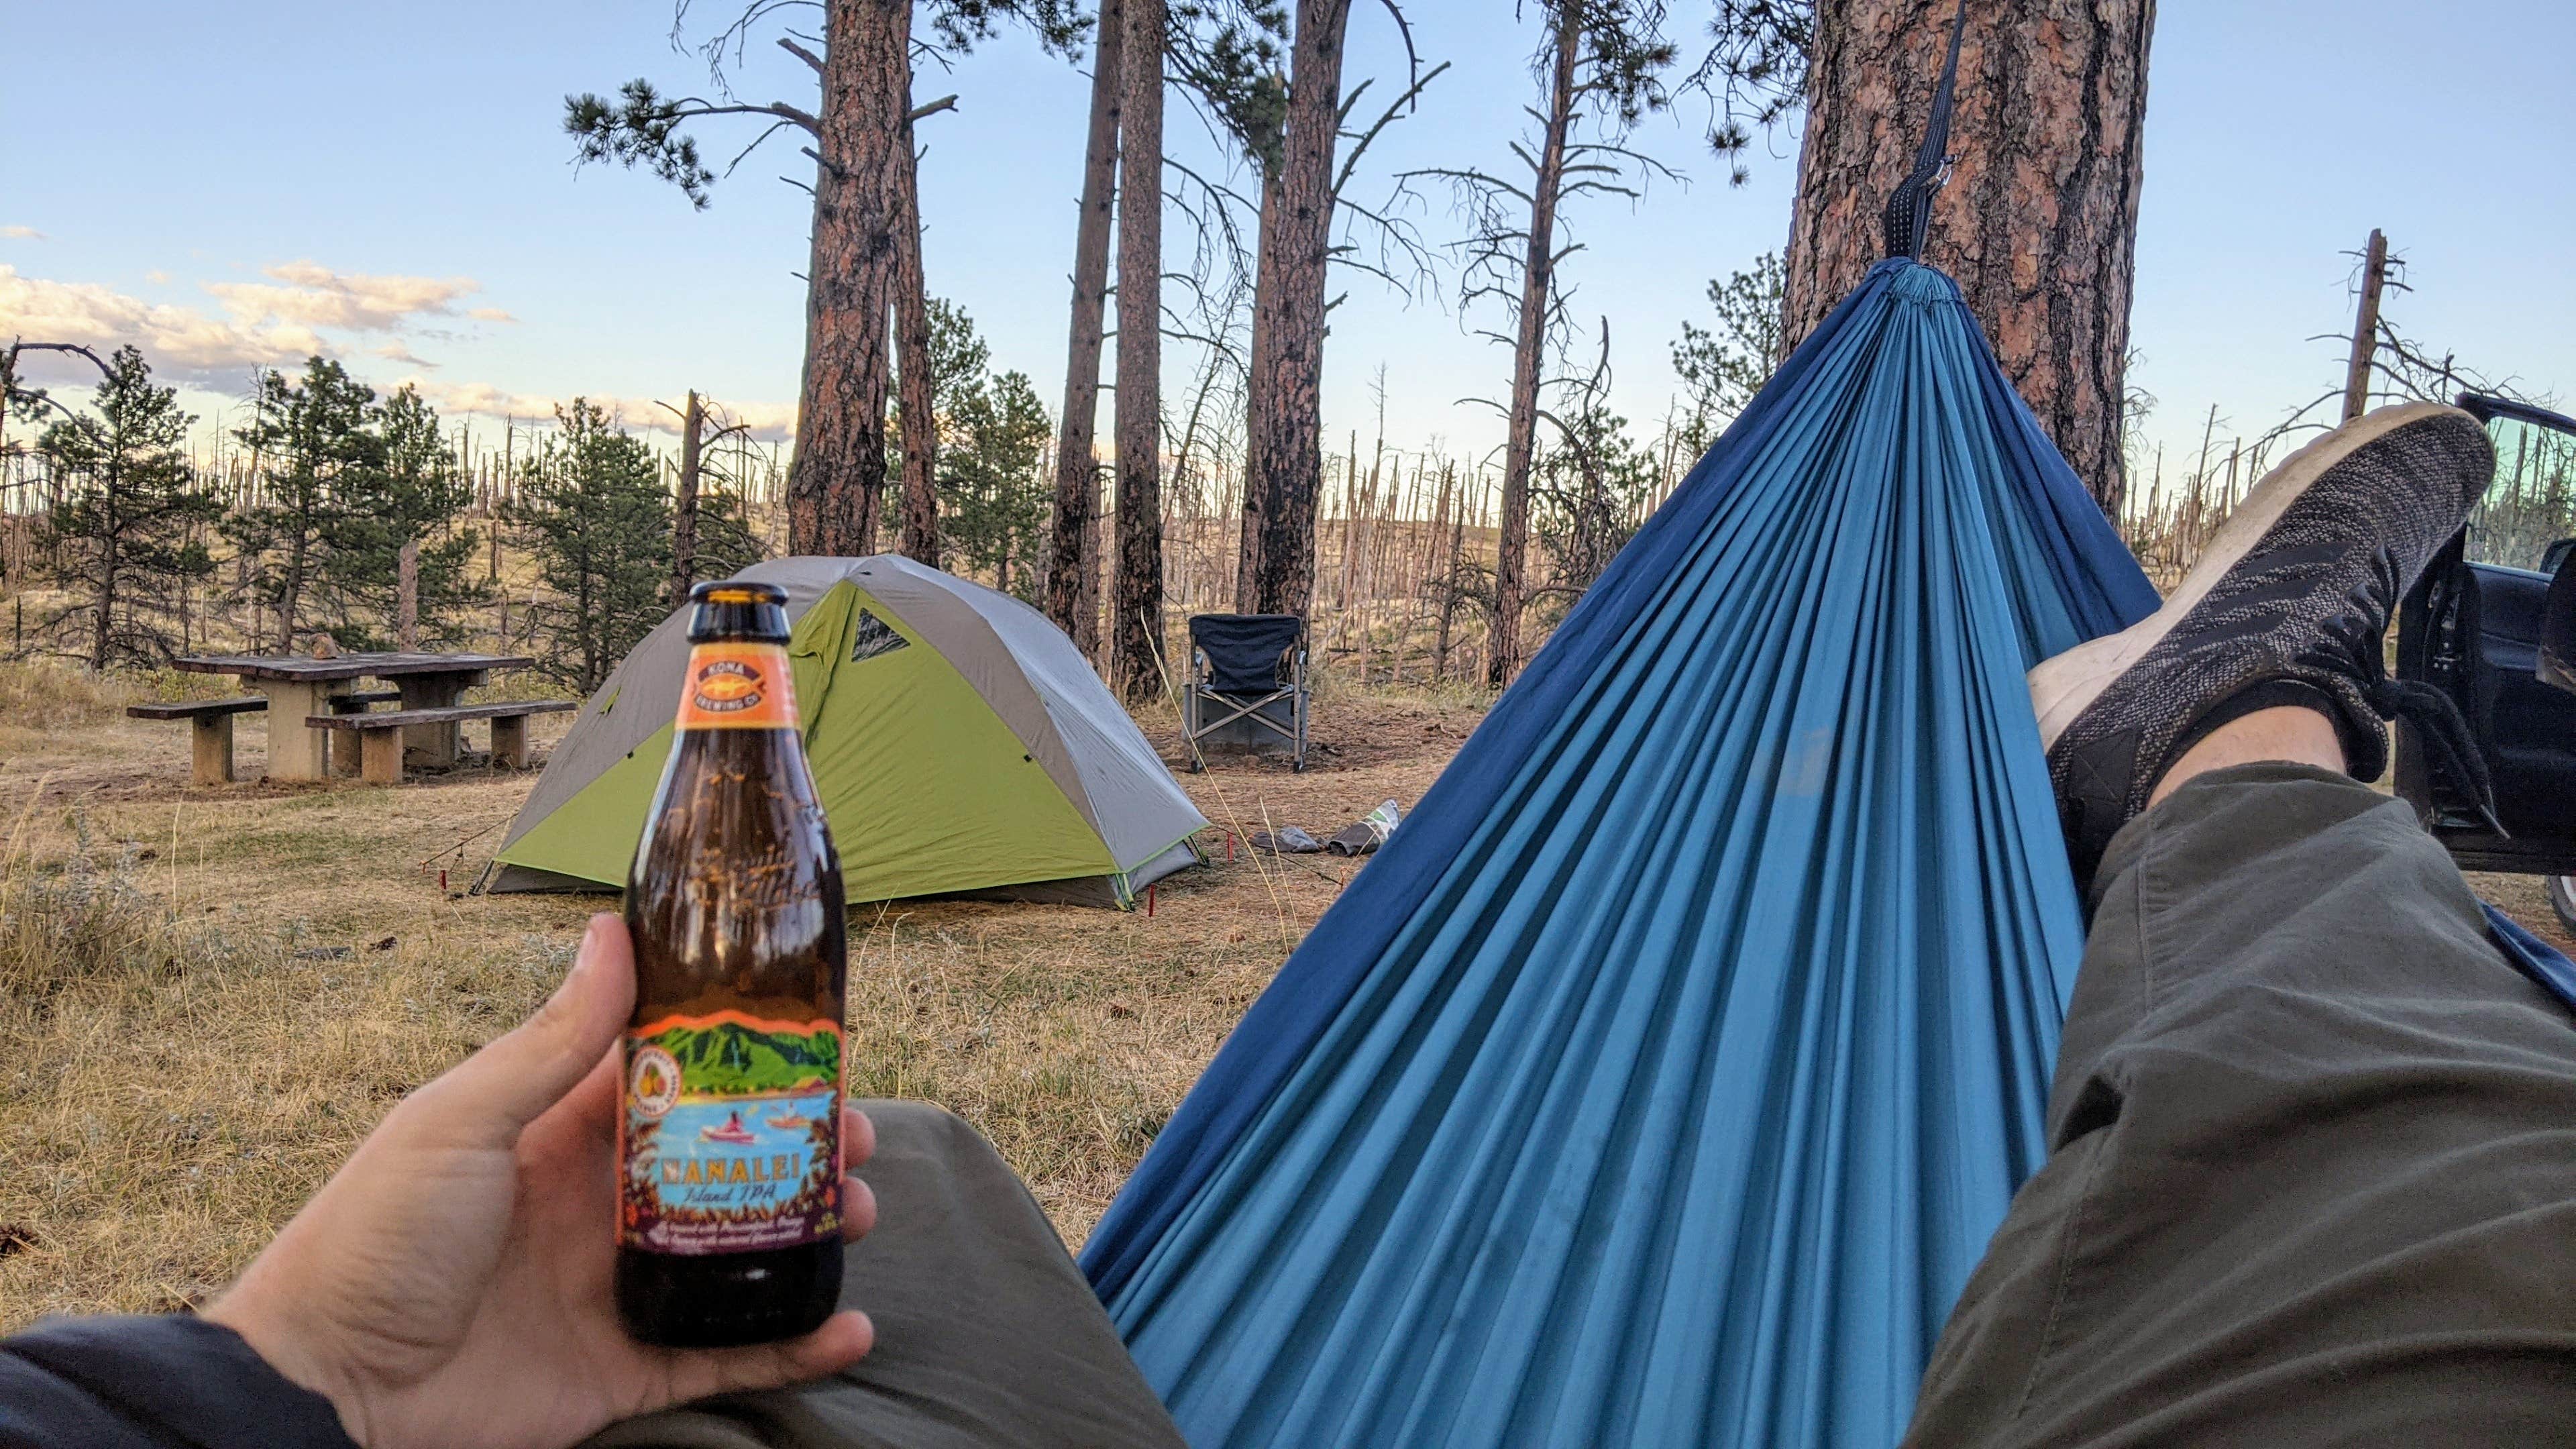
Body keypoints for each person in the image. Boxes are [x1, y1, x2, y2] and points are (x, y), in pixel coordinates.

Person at [5, 402, 2570, 1449]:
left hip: (491, 1387)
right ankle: (2241, 754)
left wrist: (279, 1389)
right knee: (2473, 1212)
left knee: (899, 1190)